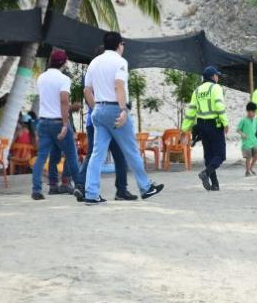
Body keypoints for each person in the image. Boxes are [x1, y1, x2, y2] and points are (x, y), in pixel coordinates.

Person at [82, 32, 165, 204]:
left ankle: (90, 193)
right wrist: (123, 110)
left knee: (97, 154)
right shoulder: (120, 62)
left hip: (99, 109)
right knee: (131, 150)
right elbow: (119, 86)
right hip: (115, 109)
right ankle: (146, 187)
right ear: (119, 45)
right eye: (123, 44)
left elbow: (86, 90)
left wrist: (95, 108)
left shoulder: (94, 62)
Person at [74, 70, 135, 203]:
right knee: (119, 155)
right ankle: (121, 190)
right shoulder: (109, 75)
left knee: (92, 155)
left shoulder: (91, 74)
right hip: (110, 121)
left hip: (92, 121)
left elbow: (87, 92)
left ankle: (80, 185)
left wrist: (96, 110)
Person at [31, 49, 82, 201]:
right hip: (58, 122)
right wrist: (66, 124)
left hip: (43, 122)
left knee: (42, 157)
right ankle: (80, 186)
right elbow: (64, 101)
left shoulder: (41, 78)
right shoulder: (63, 79)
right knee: (72, 155)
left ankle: (37, 189)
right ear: (64, 63)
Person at [182, 65, 228, 191]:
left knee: (209, 156)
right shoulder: (216, 88)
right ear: (213, 77)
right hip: (215, 125)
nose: (218, 77)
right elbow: (219, 106)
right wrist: (225, 122)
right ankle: (206, 173)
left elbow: (191, 111)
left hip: (202, 126)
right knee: (220, 155)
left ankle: (215, 184)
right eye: (217, 75)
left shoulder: (197, 91)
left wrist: (185, 128)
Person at [237, 102, 257, 177]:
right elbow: (238, 130)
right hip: (246, 143)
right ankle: (247, 171)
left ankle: (251, 168)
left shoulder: (255, 120)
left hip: (254, 142)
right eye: (253, 112)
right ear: (248, 111)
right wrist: (242, 134)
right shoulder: (243, 120)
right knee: (248, 157)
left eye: (255, 112)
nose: (254, 114)